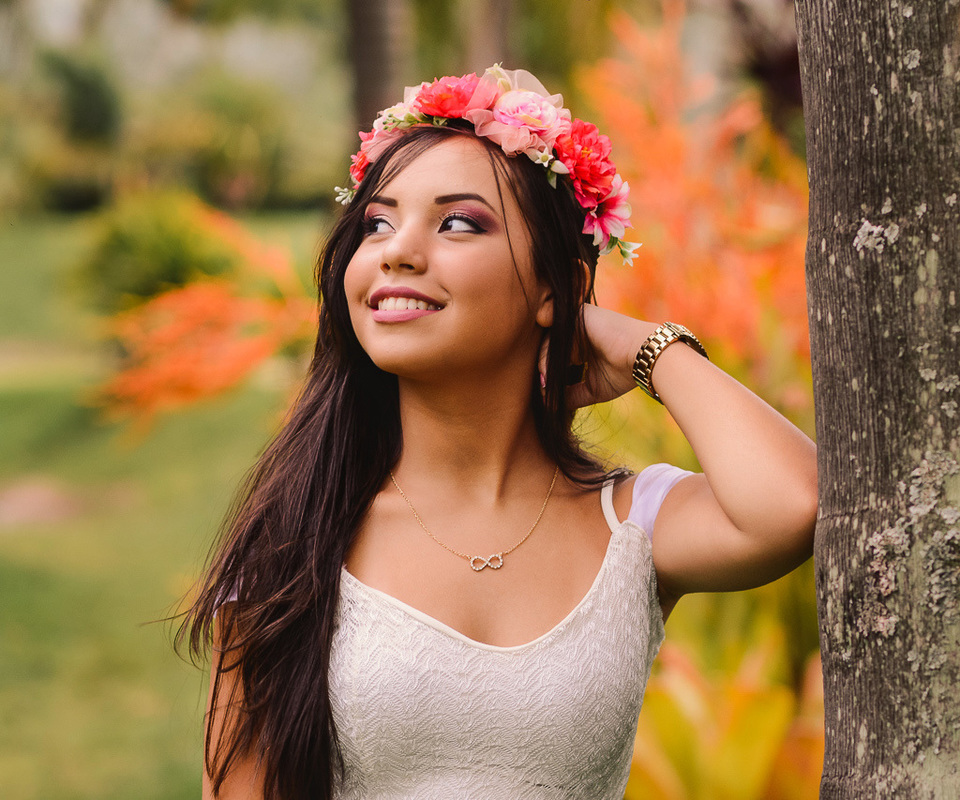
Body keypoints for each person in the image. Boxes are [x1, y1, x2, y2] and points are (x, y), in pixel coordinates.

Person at [181, 65, 817, 800]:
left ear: (557, 287)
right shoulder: (295, 536)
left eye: (458, 222)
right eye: (377, 223)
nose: (398, 250)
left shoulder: (630, 524)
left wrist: (644, 347)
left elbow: (791, 501)